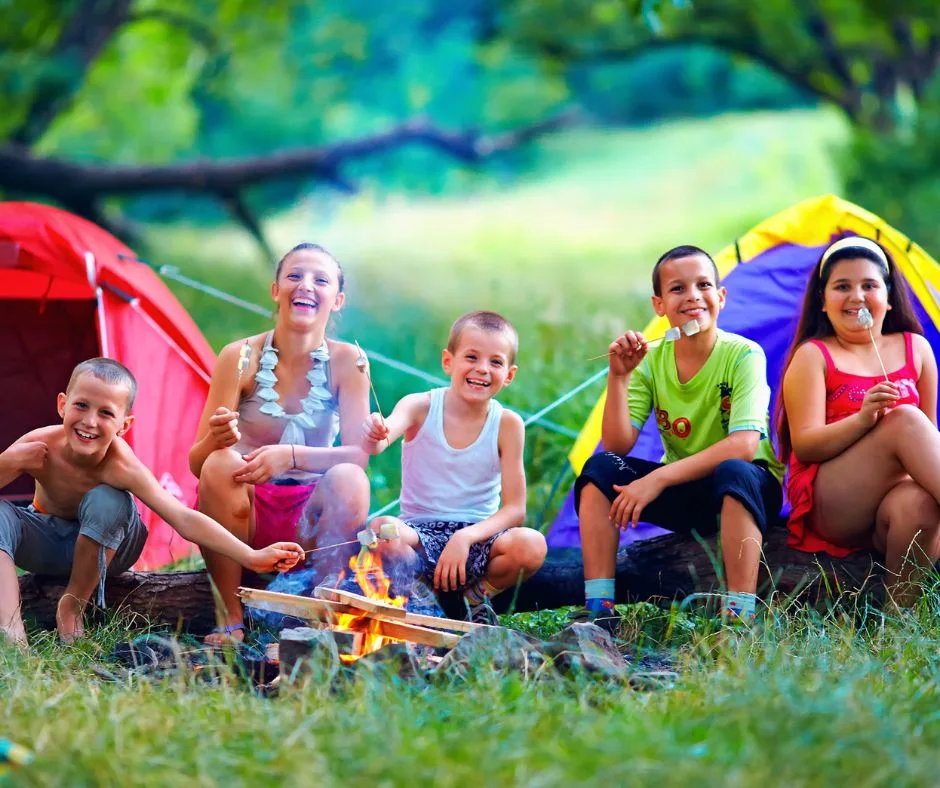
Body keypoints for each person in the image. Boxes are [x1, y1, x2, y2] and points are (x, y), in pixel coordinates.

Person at [0, 358, 303, 647]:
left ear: (124, 425)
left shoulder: (120, 465)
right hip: (49, 542)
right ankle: (12, 632)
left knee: (109, 499)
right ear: (62, 405)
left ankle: (72, 607)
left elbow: (183, 518)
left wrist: (250, 556)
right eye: (81, 406)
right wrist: (9, 461)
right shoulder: (37, 446)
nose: (90, 421)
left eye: (106, 413)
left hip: (110, 550)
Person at [573, 245, 785, 631]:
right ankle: (600, 606)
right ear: (659, 305)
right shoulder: (651, 361)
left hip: (749, 489)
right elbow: (618, 445)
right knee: (599, 469)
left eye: (703, 284)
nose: (692, 296)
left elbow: (743, 444)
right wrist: (619, 377)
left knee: (734, 470)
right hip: (691, 493)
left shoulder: (744, 355)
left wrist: (657, 478)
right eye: (677, 288)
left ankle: (738, 617)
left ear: (720, 296)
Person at [189, 242, 371, 644]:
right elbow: (197, 462)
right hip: (246, 521)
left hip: (309, 525)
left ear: (337, 300)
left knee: (350, 479)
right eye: (294, 276)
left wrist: (289, 455)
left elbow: (361, 455)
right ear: (276, 290)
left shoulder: (349, 362)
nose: (305, 286)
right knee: (219, 464)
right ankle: (230, 616)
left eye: (320, 280)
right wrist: (217, 441)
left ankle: (323, 611)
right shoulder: (239, 356)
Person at [779, 236, 940, 607]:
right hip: (835, 502)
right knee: (902, 419)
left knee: (919, 504)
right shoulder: (813, 356)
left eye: (869, 285)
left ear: (888, 295)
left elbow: (929, 439)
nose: (856, 297)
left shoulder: (917, 349)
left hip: (892, 502)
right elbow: (805, 444)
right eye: (842, 287)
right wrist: (865, 420)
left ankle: (898, 622)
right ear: (823, 300)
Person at [361, 311, 547, 624]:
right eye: (471, 357)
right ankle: (419, 597)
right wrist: (374, 430)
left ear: (510, 374)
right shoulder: (420, 406)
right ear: (448, 361)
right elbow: (380, 442)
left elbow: (515, 510)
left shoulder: (508, 424)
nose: (482, 369)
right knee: (381, 530)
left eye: (496, 362)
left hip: (478, 539)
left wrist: (465, 538)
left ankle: (472, 601)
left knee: (531, 543)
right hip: (419, 533)